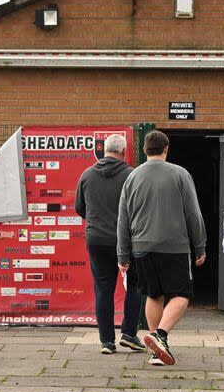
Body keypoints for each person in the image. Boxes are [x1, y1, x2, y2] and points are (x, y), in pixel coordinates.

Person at [117, 130, 206, 366]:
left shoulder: (132, 177)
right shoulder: (180, 174)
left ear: (145, 150)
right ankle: (160, 335)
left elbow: (123, 219)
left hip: (141, 247)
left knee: (154, 294)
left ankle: (157, 351)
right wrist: (200, 245)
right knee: (181, 294)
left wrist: (122, 253)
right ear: (166, 149)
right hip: (174, 246)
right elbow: (193, 213)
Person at [75, 133, 144, 355]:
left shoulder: (87, 175)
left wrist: (97, 221)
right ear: (124, 152)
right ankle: (129, 334)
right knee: (133, 285)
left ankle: (106, 341)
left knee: (103, 289)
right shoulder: (132, 176)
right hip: (127, 241)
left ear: (103, 150)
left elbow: (79, 208)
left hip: (96, 240)